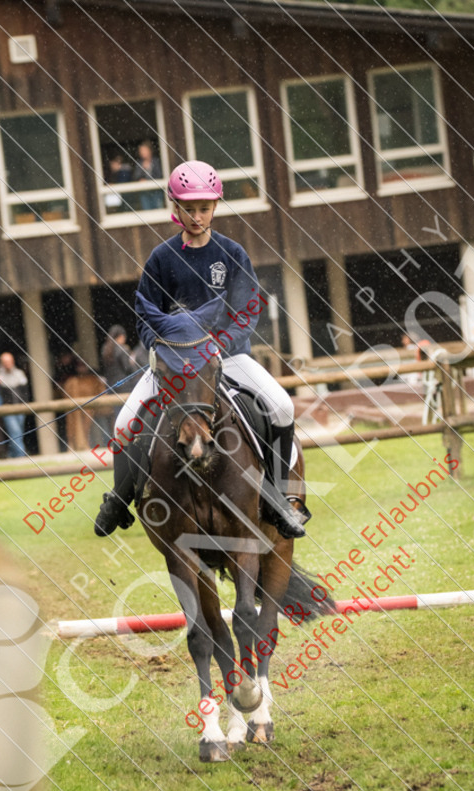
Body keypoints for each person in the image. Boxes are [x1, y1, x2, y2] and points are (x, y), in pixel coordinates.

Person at [94, 160, 306, 540]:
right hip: (173, 363)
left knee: (282, 406)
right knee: (125, 423)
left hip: (229, 357)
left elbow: (248, 311)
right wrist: (159, 346)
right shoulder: (160, 258)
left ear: (215, 206)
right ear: (174, 207)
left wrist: (219, 344)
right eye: (188, 208)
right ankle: (119, 499)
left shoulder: (232, 253)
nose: (196, 216)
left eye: (204, 207)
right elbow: (145, 314)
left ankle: (279, 498)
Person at [0, 352, 29, 458]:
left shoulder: (19, 374)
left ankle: (13, 453)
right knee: (15, 431)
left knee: (18, 432)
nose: (7, 364)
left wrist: (25, 404)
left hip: (20, 407)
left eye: (9, 361)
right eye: (5, 362)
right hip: (8, 409)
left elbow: (25, 391)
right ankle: (21, 455)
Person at [133, 140, 163, 211]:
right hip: (145, 192)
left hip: (156, 191)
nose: (142, 153)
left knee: (158, 210)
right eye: (141, 151)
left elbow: (159, 175)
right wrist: (142, 169)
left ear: (149, 151)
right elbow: (135, 176)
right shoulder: (139, 163)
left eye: (144, 150)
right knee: (147, 211)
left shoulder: (156, 161)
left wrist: (149, 180)